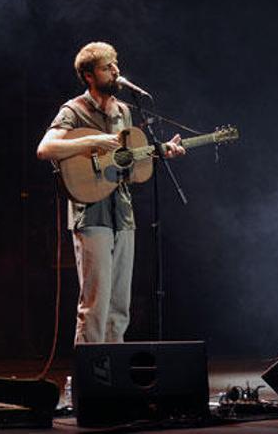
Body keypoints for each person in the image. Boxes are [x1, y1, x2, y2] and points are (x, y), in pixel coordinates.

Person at [37, 42, 184, 344]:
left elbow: (126, 161)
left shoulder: (124, 112)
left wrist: (160, 152)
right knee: (95, 305)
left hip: (122, 212)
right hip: (91, 214)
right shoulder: (74, 110)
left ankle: (113, 378)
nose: (116, 72)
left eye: (116, 64)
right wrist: (93, 141)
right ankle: (91, 380)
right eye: (107, 67)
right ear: (89, 76)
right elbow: (46, 148)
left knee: (119, 307)